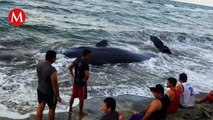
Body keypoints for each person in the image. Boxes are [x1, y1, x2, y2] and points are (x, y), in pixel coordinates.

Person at [36, 50, 61, 120]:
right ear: (53, 58)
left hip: (40, 89)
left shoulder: (39, 65)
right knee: (52, 109)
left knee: (40, 107)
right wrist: (58, 96)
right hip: (49, 93)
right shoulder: (52, 70)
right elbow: (55, 86)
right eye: (55, 58)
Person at [68, 49, 91, 115]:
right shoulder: (85, 63)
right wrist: (84, 79)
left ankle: (70, 109)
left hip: (76, 82)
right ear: (86, 55)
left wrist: (73, 76)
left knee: (73, 96)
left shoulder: (77, 60)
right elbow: (87, 74)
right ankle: (80, 112)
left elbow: (70, 67)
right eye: (89, 56)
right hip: (82, 84)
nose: (90, 57)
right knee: (81, 98)